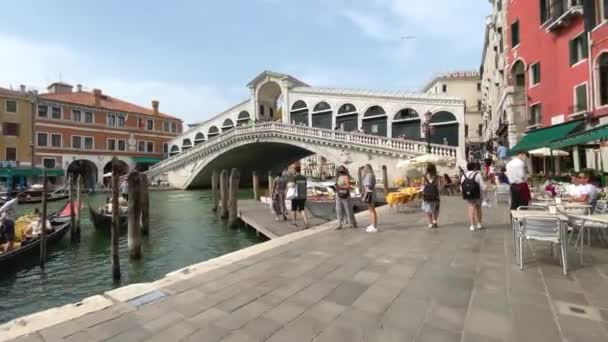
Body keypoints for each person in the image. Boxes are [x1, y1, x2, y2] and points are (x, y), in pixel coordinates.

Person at [462, 162, 485, 231]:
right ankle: (479, 224)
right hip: (477, 194)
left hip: (468, 194)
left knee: (471, 208)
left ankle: (472, 225)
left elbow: (461, 187)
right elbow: (482, 186)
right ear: (474, 167)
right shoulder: (477, 174)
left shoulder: (464, 175)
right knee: (478, 208)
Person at [334, 166, 357, 230]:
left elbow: (348, 186)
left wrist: (340, 187)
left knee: (348, 209)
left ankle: (352, 222)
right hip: (338, 195)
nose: (340, 171)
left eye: (341, 170)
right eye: (339, 170)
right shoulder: (338, 177)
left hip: (345, 195)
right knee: (338, 209)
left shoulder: (346, 177)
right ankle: (339, 224)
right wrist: (337, 187)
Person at [421, 163, 441, 228]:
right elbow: (439, 187)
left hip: (427, 196)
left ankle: (430, 223)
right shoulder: (437, 177)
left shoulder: (424, 177)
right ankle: (435, 221)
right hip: (435, 196)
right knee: (436, 209)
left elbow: (422, 187)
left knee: (428, 210)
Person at [362, 164, 378, 232]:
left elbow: (367, 187)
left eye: (364, 168)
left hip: (369, 194)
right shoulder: (372, 175)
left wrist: (364, 197)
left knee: (372, 210)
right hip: (372, 193)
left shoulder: (369, 176)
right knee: (371, 210)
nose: (363, 170)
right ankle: (372, 224)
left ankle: (373, 226)